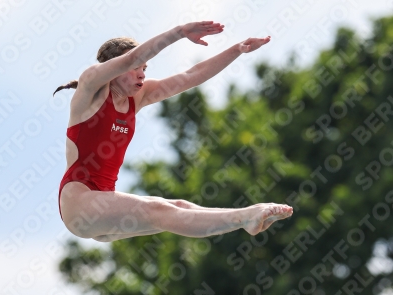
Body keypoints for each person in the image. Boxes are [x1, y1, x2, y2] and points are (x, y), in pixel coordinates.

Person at [54, 21, 293, 242]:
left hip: (105, 207)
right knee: (159, 210)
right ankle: (245, 216)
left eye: (145, 68)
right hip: (79, 203)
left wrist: (237, 50)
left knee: (179, 206)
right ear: (112, 69)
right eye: (137, 68)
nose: (142, 74)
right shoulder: (91, 89)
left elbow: (191, 76)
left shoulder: (138, 97)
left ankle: (245, 219)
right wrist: (179, 32)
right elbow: (131, 58)